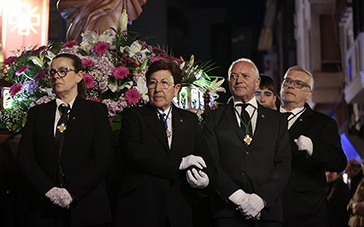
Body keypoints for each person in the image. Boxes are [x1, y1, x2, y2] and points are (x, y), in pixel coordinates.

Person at [16, 52, 113, 227]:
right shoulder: (38, 113)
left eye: (63, 71)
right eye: (53, 72)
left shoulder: (96, 112)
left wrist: (72, 192)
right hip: (44, 208)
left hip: (86, 206)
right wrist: (48, 189)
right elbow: (25, 157)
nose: (56, 77)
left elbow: (103, 158)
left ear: (79, 76)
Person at [116, 59, 209, 227]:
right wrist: (179, 163)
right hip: (143, 206)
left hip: (180, 207)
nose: (158, 89)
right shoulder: (134, 116)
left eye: (164, 83)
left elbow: (201, 155)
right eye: (152, 83)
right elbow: (135, 154)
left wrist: (204, 180)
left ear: (177, 89)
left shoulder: (189, 120)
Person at [201, 58, 291, 224]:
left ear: (257, 83)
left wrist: (261, 199)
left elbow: (283, 164)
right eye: (233, 76)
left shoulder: (277, 120)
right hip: (227, 212)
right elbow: (211, 162)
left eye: (244, 75)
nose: (238, 80)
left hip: (268, 213)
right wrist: (239, 197)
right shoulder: (214, 118)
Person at [279, 65, 347, 227]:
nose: (290, 85)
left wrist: (313, 149)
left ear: (309, 93)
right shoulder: (266, 120)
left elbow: (339, 162)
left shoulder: (322, 123)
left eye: (298, 83)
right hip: (268, 210)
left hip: (306, 213)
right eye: (287, 81)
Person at [349, 160, 364, 227]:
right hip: (356, 222)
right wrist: (352, 205)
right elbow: (354, 198)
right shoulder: (360, 182)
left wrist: (358, 207)